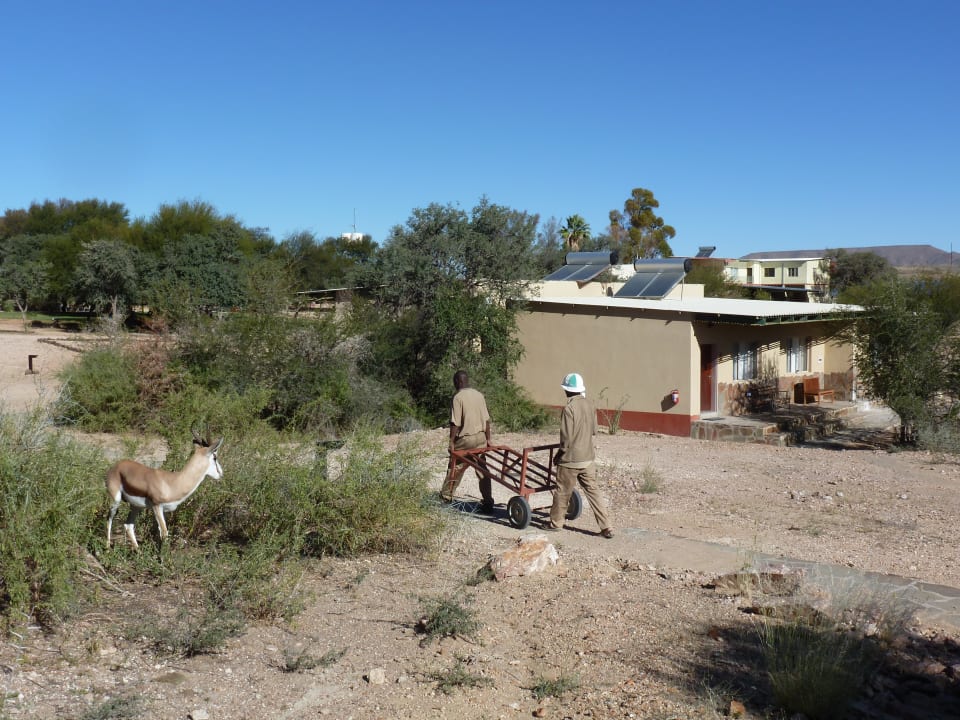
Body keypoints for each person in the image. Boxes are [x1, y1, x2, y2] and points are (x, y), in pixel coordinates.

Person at [547, 372, 614, 539]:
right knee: (594, 492)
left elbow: (566, 439)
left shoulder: (569, 408)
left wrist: (559, 455)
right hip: (588, 458)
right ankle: (606, 527)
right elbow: (594, 431)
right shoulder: (590, 405)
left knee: (562, 492)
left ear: (567, 390)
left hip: (571, 460)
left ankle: (556, 523)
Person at [440, 370, 495, 512]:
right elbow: (487, 420)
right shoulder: (479, 395)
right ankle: (488, 502)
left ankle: (446, 497)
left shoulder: (458, 398)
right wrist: (488, 439)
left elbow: (455, 423)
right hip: (481, 438)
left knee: (455, 467)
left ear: (458, 381)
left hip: (466, 440)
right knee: (482, 470)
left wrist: (451, 442)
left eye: (454, 382)